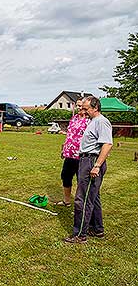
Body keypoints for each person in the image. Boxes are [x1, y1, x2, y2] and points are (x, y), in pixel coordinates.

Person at [64, 96, 113, 244]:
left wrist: (97, 165)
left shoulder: (101, 122)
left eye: (86, 108)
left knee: (82, 199)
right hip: (86, 159)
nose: (83, 111)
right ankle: (97, 228)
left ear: (95, 108)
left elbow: (107, 144)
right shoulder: (93, 121)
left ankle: (79, 234)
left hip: (91, 161)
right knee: (93, 197)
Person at [54, 98, 89, 207]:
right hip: (69, 154)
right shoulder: (74, 118)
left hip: (82, 155)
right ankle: (66, 201)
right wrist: (64, 148)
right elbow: (70, 135)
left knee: (81, 181)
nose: (79, 108)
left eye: (81, 106)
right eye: (77, 106)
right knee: (65, 176)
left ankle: (82, 205)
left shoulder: (90, 120)